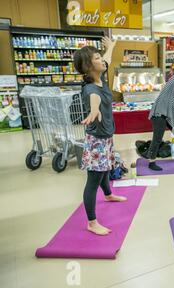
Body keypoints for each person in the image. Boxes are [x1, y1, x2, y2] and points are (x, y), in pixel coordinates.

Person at [74, 37, 127, 236]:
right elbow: (94, 100)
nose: (102, 61)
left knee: (106, 167)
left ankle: (109, 194)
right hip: (96, 139)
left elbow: (106, 60)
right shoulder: (91, 88)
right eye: (97, 58)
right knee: (93, 179)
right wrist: (94, 111)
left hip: (106, 135)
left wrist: (110, 47)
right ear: (88, 66)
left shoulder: (100, 78)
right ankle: (92, 222)